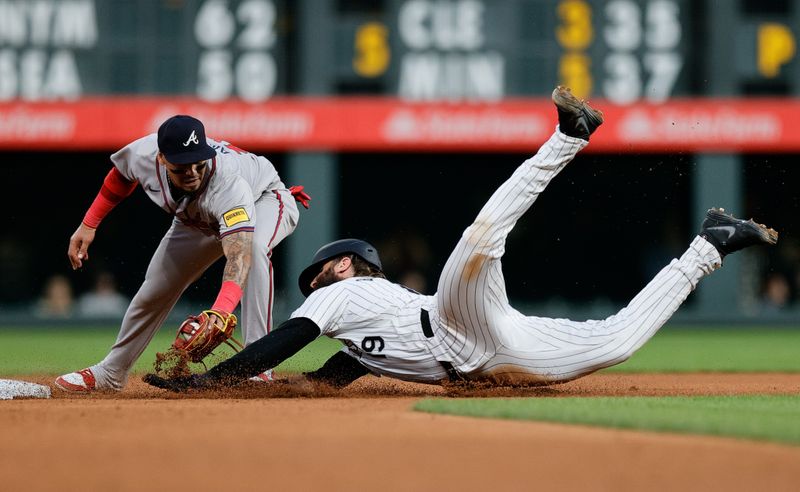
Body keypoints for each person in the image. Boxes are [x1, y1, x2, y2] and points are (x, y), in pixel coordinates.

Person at [144, 87, 778, 393]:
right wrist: (272, 387)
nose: (315, 281)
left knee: (479, 239)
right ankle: (711, 246)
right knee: (617, 340)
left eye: (321, 271)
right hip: (491, 357)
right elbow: (324, 376)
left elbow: (285, 341)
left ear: (345, 266)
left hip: (452, 320)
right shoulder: (360, 339)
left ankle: (568, 137)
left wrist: (213, 381)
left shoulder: (341, 297)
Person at [55, 115, 306, 392]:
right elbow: (120, 177)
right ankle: (111, 374)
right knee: (155, 288)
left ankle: (258, 367)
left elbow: (239, 256)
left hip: (264, 199)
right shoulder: (144, 153)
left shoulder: (228, 183)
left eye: (199, 163)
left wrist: (221, 311)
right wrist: (89, 224)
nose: (193, 172)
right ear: (161, 158)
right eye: (182, 167)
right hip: (196, 218)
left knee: (256, 248)